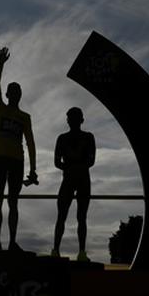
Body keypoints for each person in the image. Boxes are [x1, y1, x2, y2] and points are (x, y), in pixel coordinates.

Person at [0, 47, 36, 252]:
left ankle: (12, 242)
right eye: (12, 91)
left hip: (17, 161)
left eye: (18, 92)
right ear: (8, 94)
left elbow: (31, 142)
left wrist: (33, 169)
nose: (15, 94)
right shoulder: (0, 108)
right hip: (0, 158)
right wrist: (0, 64)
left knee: (14, 202)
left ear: (20, 95)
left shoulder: (25, 117)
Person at [52, 107, 96, 261]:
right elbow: (57, 162)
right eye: (71, 118)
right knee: (62, 215)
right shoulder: (62, 138)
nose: (73, 121)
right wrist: (72, 166)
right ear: (68, 120)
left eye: (75, 118)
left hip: (81, 179)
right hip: (70, 179)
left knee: (81, 216)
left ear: (81, 120)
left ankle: (81, 251)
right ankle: (56, 249)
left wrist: (72, 166)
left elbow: (92, 160)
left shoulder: (88, 137)